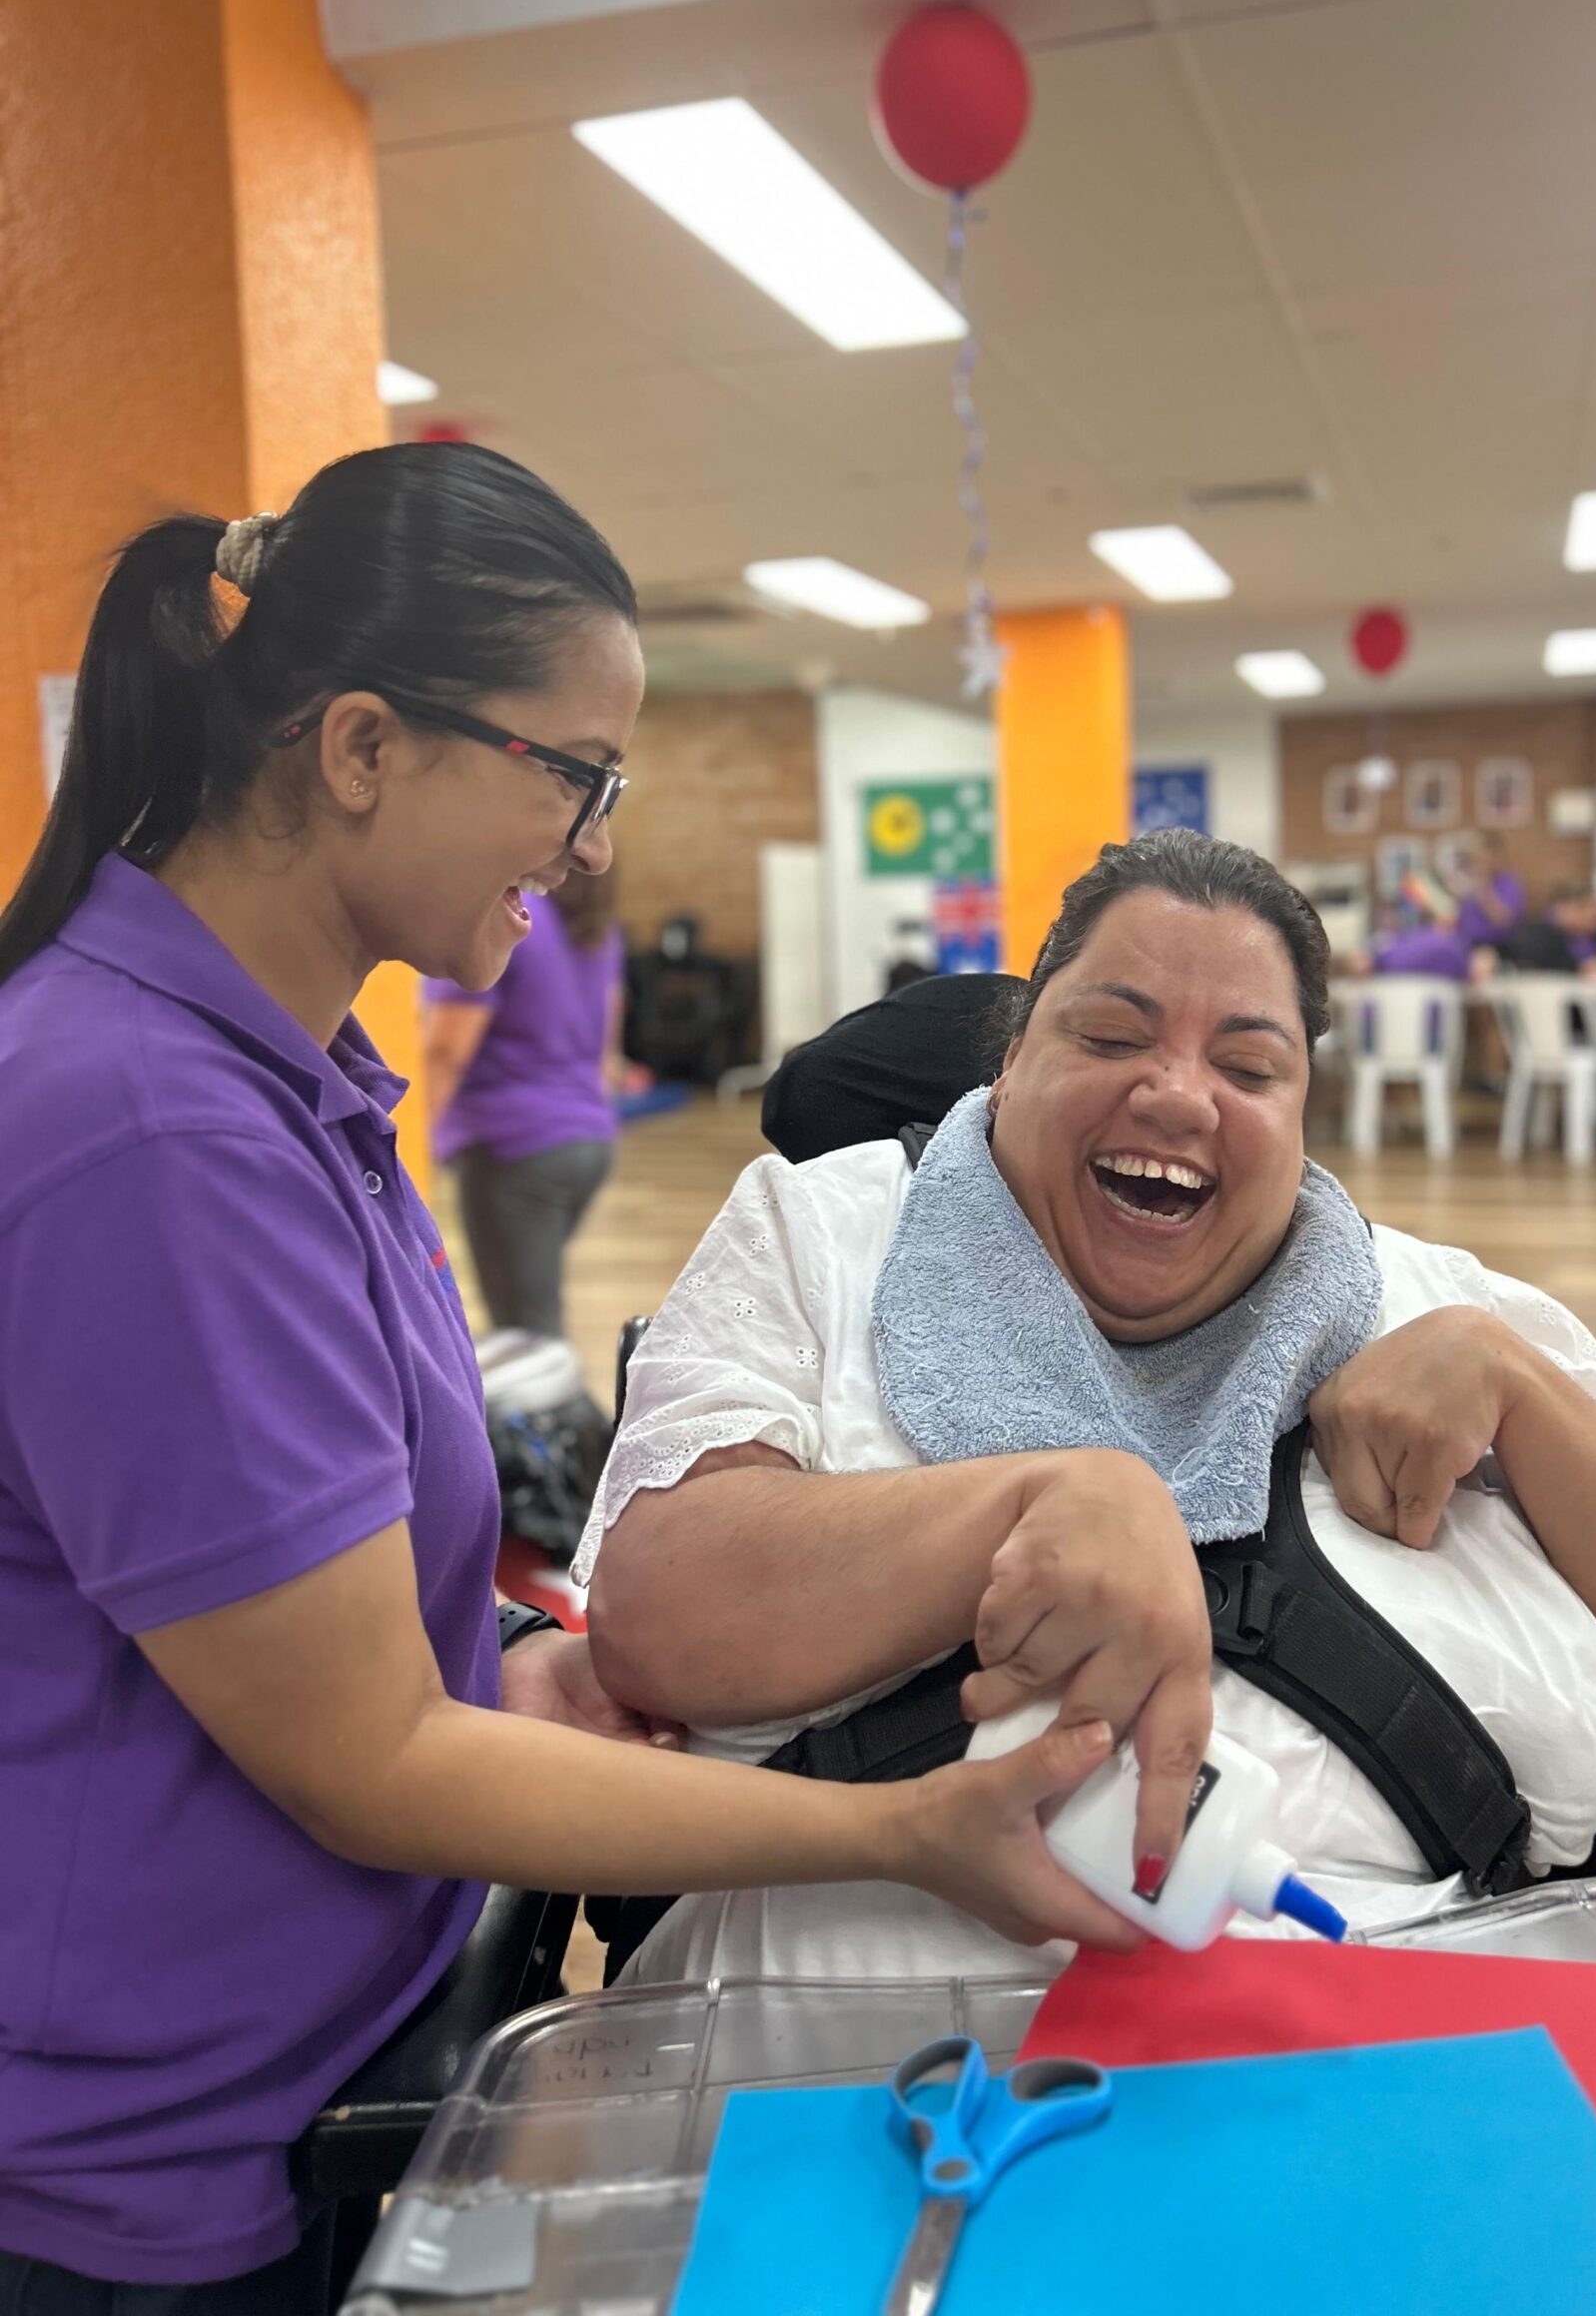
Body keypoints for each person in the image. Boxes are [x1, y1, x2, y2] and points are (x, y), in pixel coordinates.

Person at [0, 443, 1135, 2312]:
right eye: (573, 775)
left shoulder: (291, 1083)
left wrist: (495, 1662)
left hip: (338, 2040)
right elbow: (368, 1765)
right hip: (150, 2171)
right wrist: (900, 1836)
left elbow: (289, 1629)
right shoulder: (152, 1133)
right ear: (361, 748)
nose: (596, 846)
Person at [579, 831, 1596, 1987]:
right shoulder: (821, 1237)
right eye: (1112, 1036)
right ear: (1011, 1060)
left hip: (1409, 2058)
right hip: (849, 2075)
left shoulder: (1449, 1314)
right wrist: (1031, 1506)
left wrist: (1525, 1391)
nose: (1178, 1096)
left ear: (1302, 1114)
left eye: (1248, 1066)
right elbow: (655, 1616)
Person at [422, 865, 625, 1342]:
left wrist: (404, 1146)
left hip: (515, 1150)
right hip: (589, 1141)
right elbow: (607, 1054)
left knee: (528, 1337)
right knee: (529, 1317)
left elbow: (447, 1052)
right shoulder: (597, 928)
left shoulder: (502, 920)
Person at [1442, 830, 1527, 952]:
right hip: (1463, 945)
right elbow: (1452, 917)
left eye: (1481, 858)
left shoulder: (1508, 882)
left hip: (1497, 948)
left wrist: (1483, 884)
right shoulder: (1465, 881)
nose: (1476, 863)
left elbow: (1502, 921)